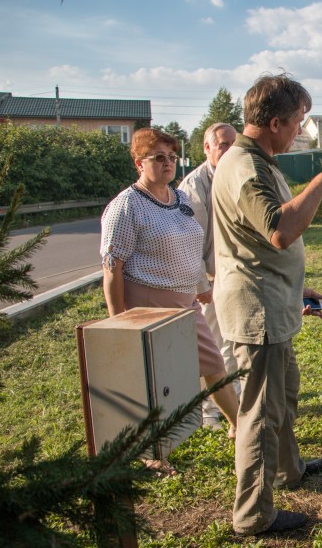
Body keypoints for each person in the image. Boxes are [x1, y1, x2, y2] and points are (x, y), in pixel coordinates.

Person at [211, 73, 322, 536]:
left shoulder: (259, 159)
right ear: (275, 121)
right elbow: (280, 228)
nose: (301, 129)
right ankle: (253, 515)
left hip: (272, 299)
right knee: (261, 414)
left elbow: (254, 243)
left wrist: (297, 289)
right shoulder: (247, 168)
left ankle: (287, 470)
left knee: (285, 392)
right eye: (298, 120)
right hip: (256, 309)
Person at [100, 127, 240, 474]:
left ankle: (239, 427)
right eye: (158, 158)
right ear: (139, 163)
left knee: (213, 366)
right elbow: (112, 267)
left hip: (185, 302)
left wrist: (199, 285)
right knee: (152, 383)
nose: (167, 164)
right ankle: (154, 455)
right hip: (145, 306)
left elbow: (190, 247)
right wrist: (119, 321)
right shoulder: (126, 206)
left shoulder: (178, 199)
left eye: (172, 157)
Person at [177, 122, 240, 430]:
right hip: (211, 282)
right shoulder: (194, 187)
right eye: (223, 144)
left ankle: (234, 408)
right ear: (207, 148)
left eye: (233, 143)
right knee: (214, 349)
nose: (230, 150)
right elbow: (191, 243)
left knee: (232, 345)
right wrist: (202, 285)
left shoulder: (234, 175)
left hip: (234, 277)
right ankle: (208, 413)